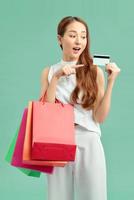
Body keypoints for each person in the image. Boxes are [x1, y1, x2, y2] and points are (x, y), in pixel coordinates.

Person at [39, 16, 121, 200]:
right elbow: (47, 112)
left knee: (94, 196)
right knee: (57, 196)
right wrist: (57, 78)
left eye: (83, 36)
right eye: (73, 35)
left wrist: (111, 82)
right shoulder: (49, 72)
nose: (79, 41)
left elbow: (99, 118)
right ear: (60, 39)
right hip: (57, 142)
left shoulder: (94, 72)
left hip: (89, 139)